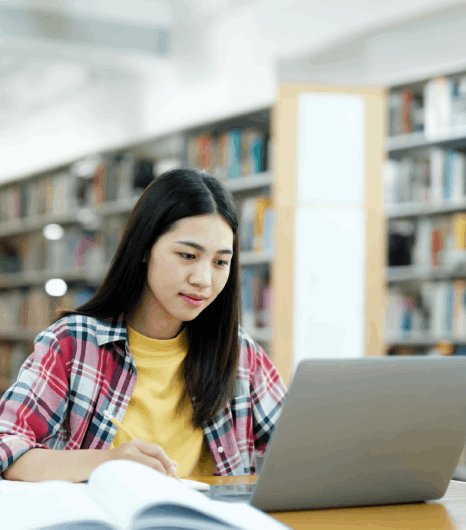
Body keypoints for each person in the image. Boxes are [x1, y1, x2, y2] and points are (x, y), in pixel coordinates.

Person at [0, 168, 287, 482]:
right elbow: (7, 448)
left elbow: (298, 455)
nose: (203, 280)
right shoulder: (74, 344)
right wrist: (106, 461)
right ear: (144, 249)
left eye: (220, 262)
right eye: (188, 255)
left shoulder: (240, 353)